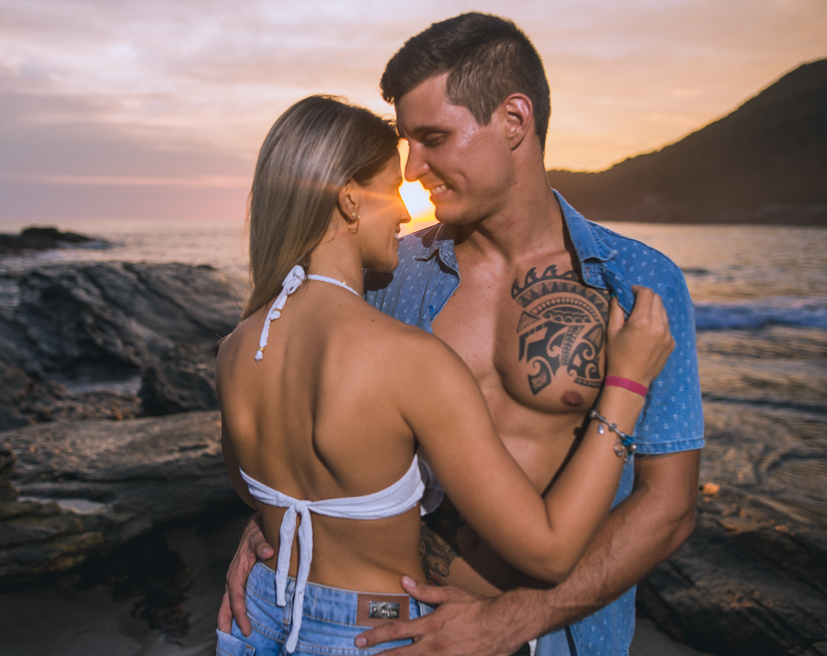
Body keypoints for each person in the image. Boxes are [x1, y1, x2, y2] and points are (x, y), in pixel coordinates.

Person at [220, 13, 704, 656]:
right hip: (397, 628)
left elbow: (668, 507)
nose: (413, 168)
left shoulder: (636, 282)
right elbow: (314, 430)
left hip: (553, 633)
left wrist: (521, 618)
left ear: (513, 121)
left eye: (434, 138)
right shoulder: (389, 274)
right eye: (405, 143)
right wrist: (278, 532)